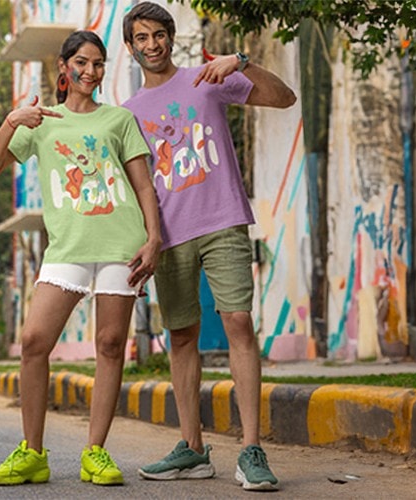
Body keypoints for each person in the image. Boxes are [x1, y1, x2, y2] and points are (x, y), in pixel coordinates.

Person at [121, 2, 296, 491]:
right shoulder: (128, 114)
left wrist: (241, 61)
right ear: (130, 46)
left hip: (222, 221)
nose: (151, 44)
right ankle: (192, 449)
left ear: (171, 37)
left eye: (159, 34)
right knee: (181, 336)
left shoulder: (207, 79)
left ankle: (252, 450)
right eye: (141, 37)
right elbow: (135, 189)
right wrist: (144, 243)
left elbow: (285, 98)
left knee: (238, 321)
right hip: (169, 236)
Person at [0, 30, 161, 487]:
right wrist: (12, 120)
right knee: (34, 340)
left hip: (122, 245)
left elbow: (142, 186)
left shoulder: (118, 120)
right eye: (81, 62)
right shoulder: (42, 121)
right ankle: (33, 453)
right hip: (68, 248)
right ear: (64, 67)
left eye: (98, 64)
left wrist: (154, 238)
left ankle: (95, 452)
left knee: (110, 346)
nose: (90, 71)